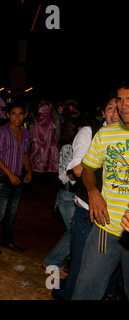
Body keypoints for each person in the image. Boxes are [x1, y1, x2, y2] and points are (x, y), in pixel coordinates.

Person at [53, 98, 120, 300]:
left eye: (121, 107)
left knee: (112, 273)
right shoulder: (90, 133)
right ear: (103, 111)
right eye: (111, 108)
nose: (116, 112)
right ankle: (65, 292)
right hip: (87, 213)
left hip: (118, 219)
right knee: (81, 266)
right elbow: (79, 168)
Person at [72, 83, 129, 299]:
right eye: (120, 99)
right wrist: (93, 191)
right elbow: (87, 169)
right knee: (86, 289)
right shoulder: (105, 133)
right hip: (106, 226)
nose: (123, 106)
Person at [0, 102, 32, 255]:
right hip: (2, 178)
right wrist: (10, 175)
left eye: (20, 114)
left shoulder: (25, 133)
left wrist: (29, 171)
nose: (17, 117)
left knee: (12, 213)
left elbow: (25, 154)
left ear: (25, 115)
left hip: (18, 178)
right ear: (8, 115)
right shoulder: (1, 132)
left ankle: (7, 241)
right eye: (13, 114)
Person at [42, 115, 79, 276]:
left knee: (75, 232)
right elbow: (68, 176)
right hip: (67, 196)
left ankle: (61, 264)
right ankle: (51, 262)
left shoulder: (76, 148)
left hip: (72, 197)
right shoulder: (68, 148)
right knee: (73, 232)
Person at [29, 100, 60, 182]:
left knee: (36, 167)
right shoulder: (53, 123)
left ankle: (34, 181)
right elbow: (58, 135)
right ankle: (45, 182)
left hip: (38, 148)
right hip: (50, 148)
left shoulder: (35, 122)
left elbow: (31, 137)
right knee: (48, 167)